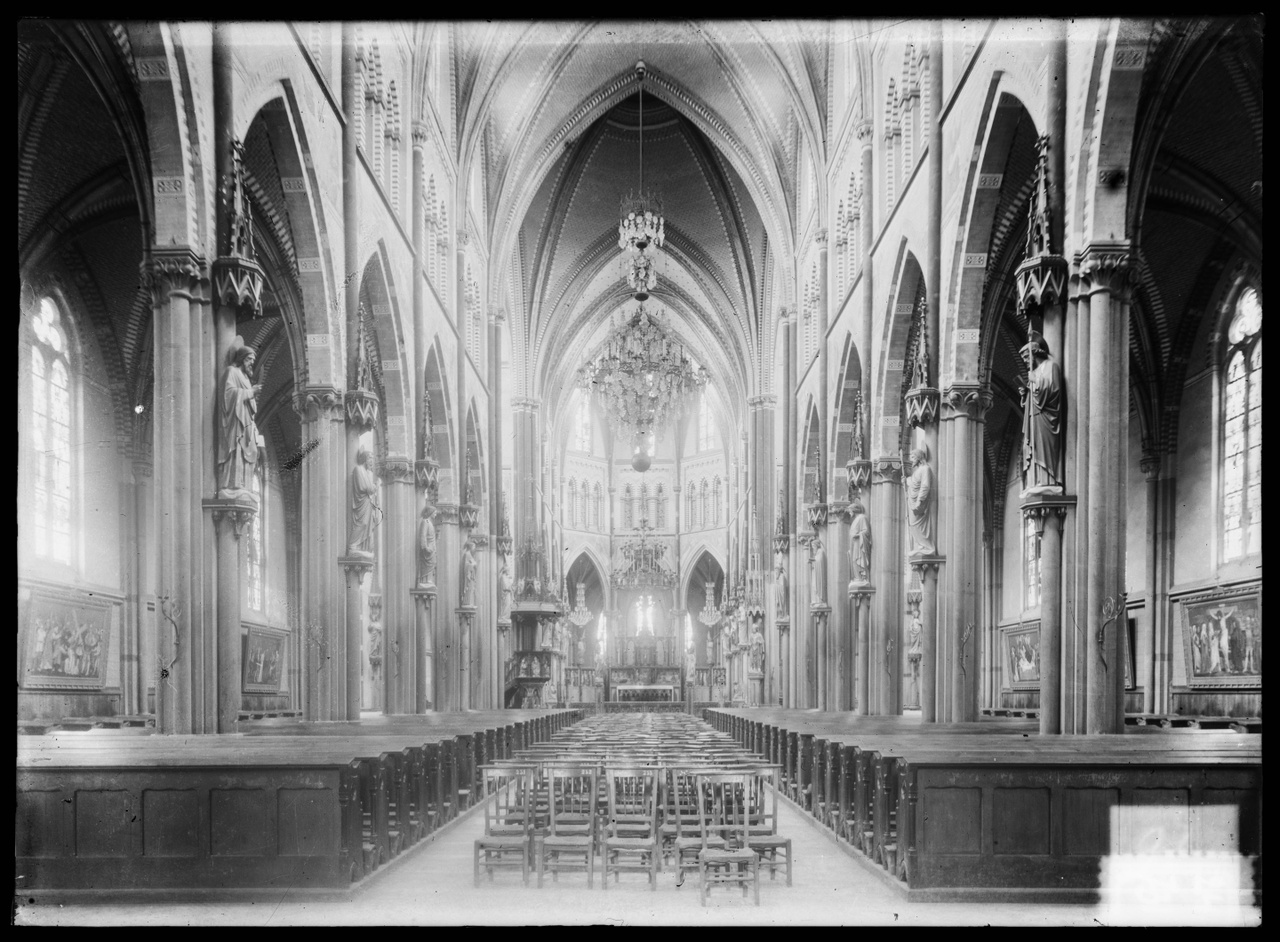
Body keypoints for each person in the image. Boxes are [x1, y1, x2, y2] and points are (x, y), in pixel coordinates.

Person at [1019, 330, 1066, 497]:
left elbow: (1053, 390)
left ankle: (1048, 481)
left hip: (1046, 417)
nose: (1025, 361)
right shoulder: (1036, 372)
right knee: (1034, 449)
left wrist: (1035, 382)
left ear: (1035, 353)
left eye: (1026, 357)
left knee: (1045, 450)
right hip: (1034, 417)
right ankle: (1035, 480)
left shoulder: (1050, 366)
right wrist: (1026, 394)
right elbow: (1035, 396)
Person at [217, 341, 262, 499]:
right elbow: (229, 394)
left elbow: (252, 406)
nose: (251, 364)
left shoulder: (246, 379)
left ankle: (244, 485)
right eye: (249, 359)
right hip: (235, 421)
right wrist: (250, 392)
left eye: (252, 361)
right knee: (237, 450)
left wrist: (252, 393)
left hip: (246, 421)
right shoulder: (232, 371)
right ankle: (233, 484)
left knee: (250, 451)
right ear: (242, 358)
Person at [347, 446, 380, 556]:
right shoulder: (358, 469)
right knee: (362, 523)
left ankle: (361, 547)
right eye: (370, 458)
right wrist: (374, 487)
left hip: (367, 502)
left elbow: (370, 488)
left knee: (367, 525)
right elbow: (363, 487)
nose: (372, 461)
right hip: (361, 502)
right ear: (365, 458)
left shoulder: (368, 473)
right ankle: (352, 546)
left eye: (373, 458)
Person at [905, 447, 935, 557]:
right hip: (912, 503)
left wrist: (920, 500)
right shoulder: (917, 471)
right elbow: (914, 484)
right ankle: (921, 546)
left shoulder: (925, 469)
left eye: (913, 457)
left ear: (918, 457)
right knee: (913, 525)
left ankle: (927, 547)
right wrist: (907, 481)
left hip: (919, 504)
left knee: (919, 525)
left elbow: (925, 485)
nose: (911, 460)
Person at [848, 497, 872, 586]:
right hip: (854, 546)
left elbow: (866, 531)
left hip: (859, 545)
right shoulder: (855, 520)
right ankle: (857, 578)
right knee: (854, 561)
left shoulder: (862, 517)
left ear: (854, 510)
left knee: (858, 561)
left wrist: (858, 535)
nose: (850, 513)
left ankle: (862, 577)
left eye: (850, 511)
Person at [416, 502, 437, 588]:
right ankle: (424, 580)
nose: (436, 514)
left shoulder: (430, 523)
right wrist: (425, 547)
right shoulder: (425, 522)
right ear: (430, 513)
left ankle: (428, 580)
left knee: (432, 563)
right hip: (427, 549)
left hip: (431, 548)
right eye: (434, 513)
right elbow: (423, 535)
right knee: (426, 564)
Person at [809, 535, 828, 604]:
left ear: (817, 546)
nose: (813, 549)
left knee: (817, 586)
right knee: (814, 586)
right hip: (816, 574)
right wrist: (813, 561)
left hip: (819, 575)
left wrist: (814, 560)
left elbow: (820, 562)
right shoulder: (817, 553)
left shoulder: (821, 552)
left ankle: (820, 600)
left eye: (813, 547)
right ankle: (816, 600)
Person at [460, 539, 477, 607]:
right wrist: (472, 565)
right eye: (474, 547)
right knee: (468, 588)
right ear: (470, 547)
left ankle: (469, 602)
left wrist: (474, 565)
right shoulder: (467, 554)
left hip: (471, 576)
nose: (474, 549)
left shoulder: (470, 555)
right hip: (468, 576)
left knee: (471, 589)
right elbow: (466, 565)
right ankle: (466, 602)